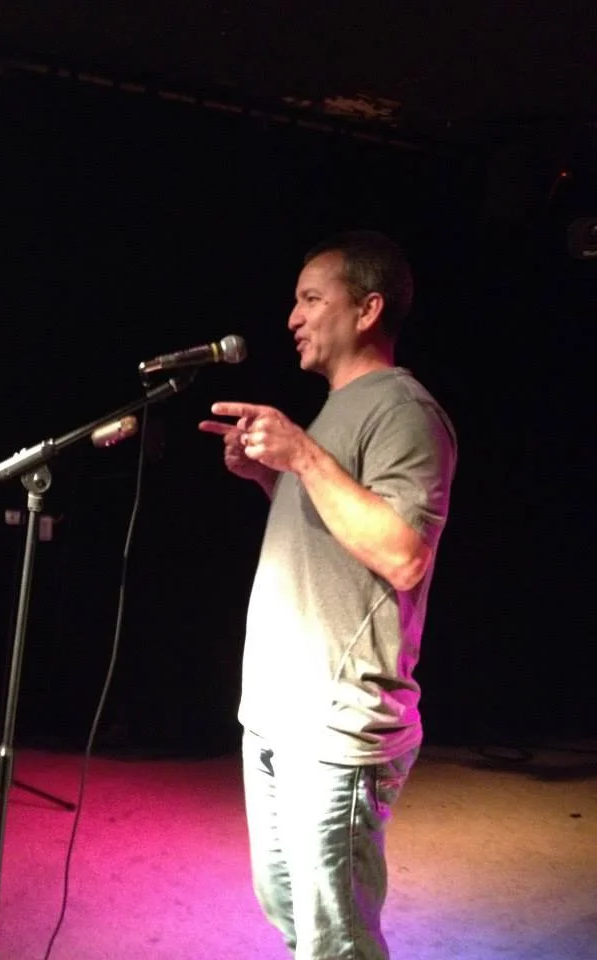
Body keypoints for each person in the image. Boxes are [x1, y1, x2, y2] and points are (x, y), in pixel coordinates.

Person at [199, 230, 457, 960]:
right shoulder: (335, 410)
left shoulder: (403, 410)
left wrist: (303, 455)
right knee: (292, 916)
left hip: (336, 724)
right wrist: (271, 475)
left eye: (312, 299)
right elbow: (338, 539)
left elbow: (403, 555)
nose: (293, 317)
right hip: (278, 712)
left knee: (335, 941)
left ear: (368, 310)